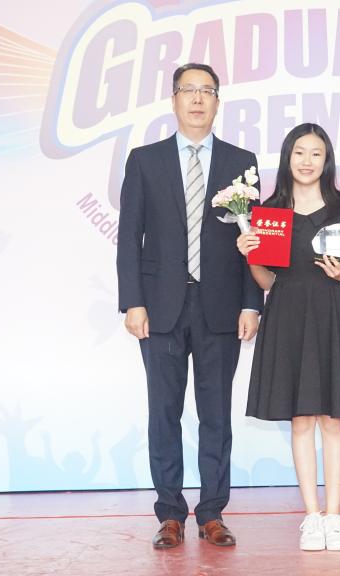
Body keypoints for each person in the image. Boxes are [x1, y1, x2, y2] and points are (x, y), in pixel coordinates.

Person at [117, 62, 263, 549]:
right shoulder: (145, 160)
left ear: (218, 101)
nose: (198, 99)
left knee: (216, 414)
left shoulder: (241, 161)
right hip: (160, 307)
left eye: (207, 91)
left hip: (222, 306)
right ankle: (170, 514)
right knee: (164, 412)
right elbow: (129, 238)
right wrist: (133, 302)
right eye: (188, 90)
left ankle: (213, 513)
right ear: (174, 99)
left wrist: (252, 303)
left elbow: (252, 241)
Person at [237, 123, 340, 552]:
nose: (307, 161)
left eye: (316, 153)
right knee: (300, 420)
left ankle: (335, 516)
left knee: (333, 419)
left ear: (326, 160)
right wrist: (250, 255)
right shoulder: (271, 210)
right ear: (288, 156)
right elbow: (267, 280)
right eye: (300, 152)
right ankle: (312, 517)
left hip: (331, 313)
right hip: (287, 316)